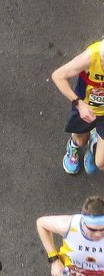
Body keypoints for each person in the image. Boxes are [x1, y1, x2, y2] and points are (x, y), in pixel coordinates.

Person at [50, 39, 104, 175]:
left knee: (100, 163)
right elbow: (58, 76)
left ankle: (94, 146)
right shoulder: (91, 56)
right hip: (86, 110)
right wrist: (78, 104)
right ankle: (74, 146)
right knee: (81, 140)